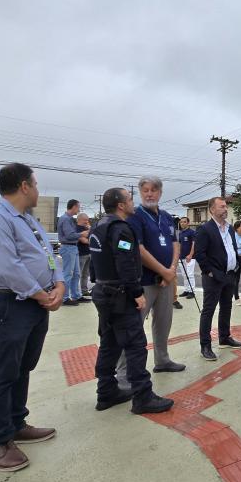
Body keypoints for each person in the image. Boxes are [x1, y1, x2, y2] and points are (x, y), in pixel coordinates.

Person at [0, 163, 64, 472]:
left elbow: (51, 254)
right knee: (2, 374)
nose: (38, 190)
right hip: (7, 305)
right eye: (35, 184)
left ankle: (15, 423)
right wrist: (42, 293)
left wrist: (60, 283)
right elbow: (6, 267)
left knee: (23, 367)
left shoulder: (27, 220)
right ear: (24, 186)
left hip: (33, 304)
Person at [89, 187, 174, 415]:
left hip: (102, 290)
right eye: (129, 199)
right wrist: (136, 293)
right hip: (119, 294)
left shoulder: (98, 226)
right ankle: (142, 396)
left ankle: (105, 391)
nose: (132, 203)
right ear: (120, 205)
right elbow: (125, 261)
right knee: (136, 345)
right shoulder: (121, 229)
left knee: (109, 343)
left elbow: (96, 260)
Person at [120, 176, 185, 375]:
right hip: (144, 282)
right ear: (140, 193)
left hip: (166, 281)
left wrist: (171, 270)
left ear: (160, 193)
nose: (149, 194)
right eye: (145, 190)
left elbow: (175, 243)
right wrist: (164, 271)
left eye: (154, 190)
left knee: (164, 322)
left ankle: (162, 360)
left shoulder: (166, 217)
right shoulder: (135, 217)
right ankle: (123, 372)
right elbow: (138, 249)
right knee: (133, 326)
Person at [193, 196, 241, 361]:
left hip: (230, 274)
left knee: (226, 307)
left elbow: (232, 248)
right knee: (208, 310)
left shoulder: (230, 228)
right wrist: (210, 272)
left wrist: (236, 265)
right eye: (222, 206)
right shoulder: (205, 229)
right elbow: (200, 254)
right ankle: (205, 346)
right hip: (214, 277)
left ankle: (224, 337)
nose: (225, 209)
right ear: (212, 210)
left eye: (226, 206)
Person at [57, 199, 87, 305]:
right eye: (78, 207)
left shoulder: (69, 219)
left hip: (73, 248)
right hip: (68, 247)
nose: (78, 210)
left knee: (76, 274)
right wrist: (82, 234)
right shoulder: (65, 219)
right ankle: (64, 298)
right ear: (74, 207)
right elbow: (69, 235)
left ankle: (76, 295)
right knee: (68, 273)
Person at [178, 217, 197, 298]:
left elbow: (194, 244)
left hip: (190, 257)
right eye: (181, 222)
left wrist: (190, 254)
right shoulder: (180, 233)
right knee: (184, 275)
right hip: (181, 257)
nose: (182, 223)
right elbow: (179, 244)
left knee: (190, 274)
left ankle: (192, 292)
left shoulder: (192, 232)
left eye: (184, 222)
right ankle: (186, 290)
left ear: (188, 223)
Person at [77, 213, 92, 297]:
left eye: (87, 220)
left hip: (88, 253)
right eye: (85, 220)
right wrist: (92, 241)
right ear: (80, 220)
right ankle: (76, 292)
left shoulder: (86, 229)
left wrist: (89, 229)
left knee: (86, 274)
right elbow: (84, 240)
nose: (87, 222)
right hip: (81, 254)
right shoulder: (77, 229)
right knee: (78, 273)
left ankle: (84, 290)